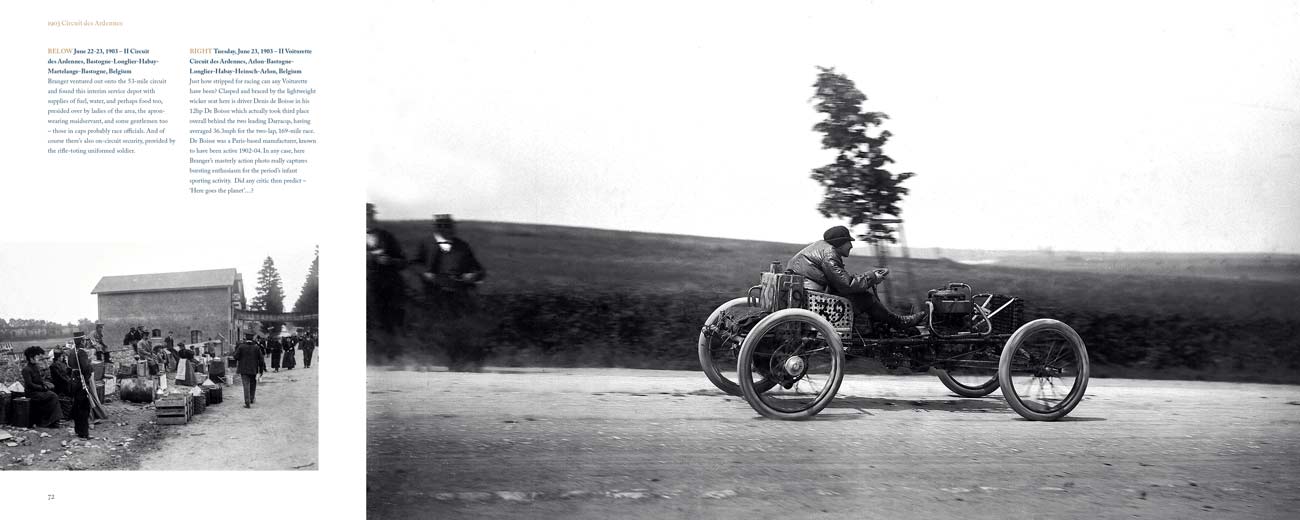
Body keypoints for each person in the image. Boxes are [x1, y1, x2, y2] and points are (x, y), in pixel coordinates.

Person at [786, 225, 926, 331]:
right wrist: (871, 277)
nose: (851, 246)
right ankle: (899, 322)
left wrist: (870, 276)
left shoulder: (822, 249)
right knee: (865, 298)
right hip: (816, 298)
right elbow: (847, 285)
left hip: (809, 294)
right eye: (848, 242)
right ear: (840, 242)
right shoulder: (829, 255)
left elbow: (840, 280)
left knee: (860, 295)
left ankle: (879, 326)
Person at [415, 214, 488, 370]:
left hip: (458, 296)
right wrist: (425, 274)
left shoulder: (462, 246)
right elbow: (415, 264)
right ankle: (421, 362)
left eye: (449, 226)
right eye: (442, 226)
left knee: (459, 328)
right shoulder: (426, 244)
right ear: (436, 227)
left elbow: (479, 270)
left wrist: (472, 275)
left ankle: (457, 363)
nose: (446, 229)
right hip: (434, 295)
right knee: (434, 328)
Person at [367, 203, 409, 333]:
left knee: (391, 322)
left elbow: (403, 261)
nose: (367, 218)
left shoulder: (386, 236)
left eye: (370, 215)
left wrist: (391, 261)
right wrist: (372, 258)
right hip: (366, 286)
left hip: (388, 285)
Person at [21, 346, 63, 428]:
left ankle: (52, 420)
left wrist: (45, 385)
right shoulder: (26, 369)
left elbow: (39, 380)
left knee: (52, 394)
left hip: (38, 391)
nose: (38, 359)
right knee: (52, 396)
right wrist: (42, 388)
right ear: (31, 358)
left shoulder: (35, 367)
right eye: (36, 357)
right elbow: (29, 384)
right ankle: (50, 421)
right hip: (31, 393)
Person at [233, 333, 267, 408]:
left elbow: (235, 357)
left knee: (246, 385)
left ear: (245, 338)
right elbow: (261, 360)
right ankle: (251, 399)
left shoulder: (241, 346)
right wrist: (261, 370)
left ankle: (247, 402)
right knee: (253, 384)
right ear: (253, 338)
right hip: (253, 369)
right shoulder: (256, 347)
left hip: (243, 369)